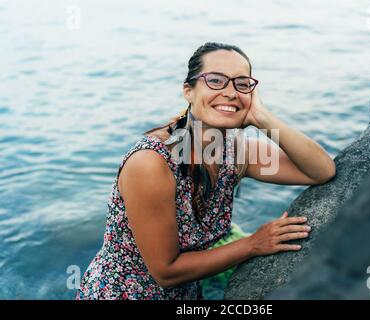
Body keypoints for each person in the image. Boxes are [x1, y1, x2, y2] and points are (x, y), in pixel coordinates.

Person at [76, 42, 336, 300]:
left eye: (241, 84)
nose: (230, 92)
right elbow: (165, 272)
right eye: (215, 81)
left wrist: (262, 117)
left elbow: (320, 170)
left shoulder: (236, 152)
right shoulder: (151, 163)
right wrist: (254, 244)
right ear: (188, 91)